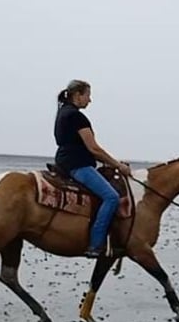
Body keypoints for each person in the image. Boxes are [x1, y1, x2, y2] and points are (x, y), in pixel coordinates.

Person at [54, 79, 132, 258]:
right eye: (88, 95)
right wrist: (119, 165)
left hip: (65, 162)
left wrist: (110, 162)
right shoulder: (76, 116)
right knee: (111, 197)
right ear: (78, 95)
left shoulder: (63, 113)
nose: (90, 100)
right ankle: (96, 244)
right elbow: (94, 149)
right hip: (78, 165)